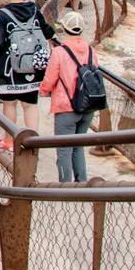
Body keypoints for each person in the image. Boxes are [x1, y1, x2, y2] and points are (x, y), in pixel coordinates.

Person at [0, 0, 54, 143]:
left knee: (10, 104)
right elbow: (48, 32)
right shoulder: (33, 9)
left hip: (10, 68)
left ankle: (9, 141)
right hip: (33, 65)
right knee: (30, 104)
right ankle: (33, 142)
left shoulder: (3, 14)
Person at [40, 10, 96, 182]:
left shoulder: (59, 52)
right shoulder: (90, 50)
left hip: (66, 107)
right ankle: (82, 182)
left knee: (64, 149)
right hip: (87, 105)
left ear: (64, 29)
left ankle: (65, 185)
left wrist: (43, 90)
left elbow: (50, 78)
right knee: (78, 147)